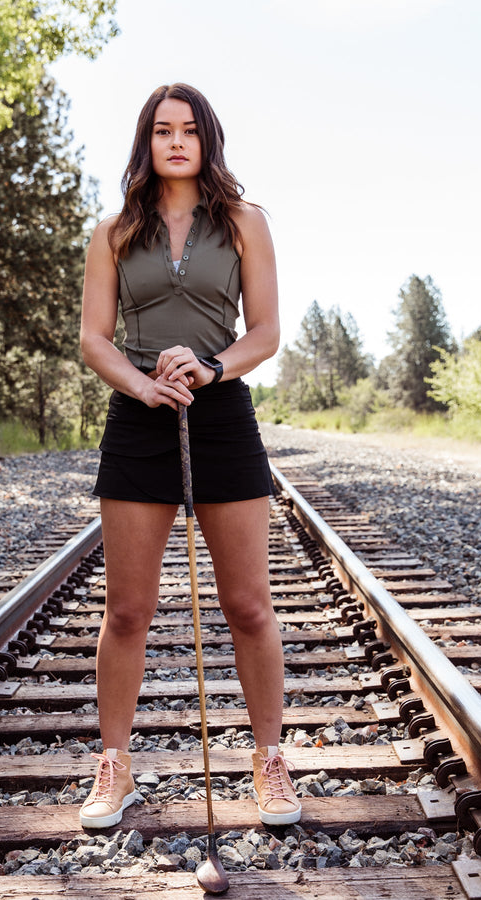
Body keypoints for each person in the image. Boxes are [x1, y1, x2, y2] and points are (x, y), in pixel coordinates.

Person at [78, 82, 301, 830]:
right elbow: (93, 339)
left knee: (248, 606)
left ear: (208, 140)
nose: (176, 142)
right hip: (139, 419)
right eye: (162, 130)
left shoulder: (244, 222)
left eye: (189, 130)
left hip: (221, 414)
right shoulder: (112, 231)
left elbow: (265, 332)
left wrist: (209, 368)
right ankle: (115, 768)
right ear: (145, 142)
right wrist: (143, 386)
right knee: (128, 611)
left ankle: (270, 760)